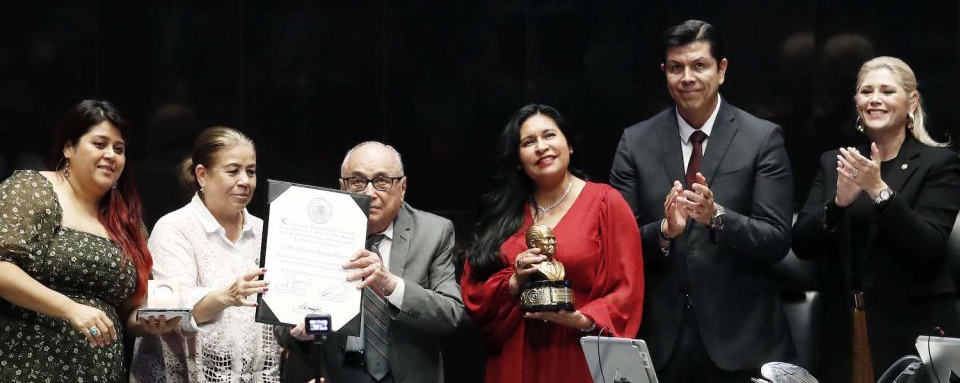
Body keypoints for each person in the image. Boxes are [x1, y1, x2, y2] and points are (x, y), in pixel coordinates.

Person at [610, 20, 795, 381]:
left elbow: (776, 239)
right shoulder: (635, 142)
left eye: (699, 66)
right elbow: (617, 243)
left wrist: (717, 216)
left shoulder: (762, 138)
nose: (687, 77)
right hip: (661, 342)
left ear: (721, 70)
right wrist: (664, 231)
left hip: (742, 341)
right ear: (665, 73)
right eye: (676, 68)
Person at [793, 56, 960, 382]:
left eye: (886, 90)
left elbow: (928, 246)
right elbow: (800, 243)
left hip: (910, 328)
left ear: (911, 101)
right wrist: (839, 203)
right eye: (866, 91)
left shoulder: (939, 163)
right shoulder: (835, 162)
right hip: (844, 328)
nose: (875, 99)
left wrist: (880, 191)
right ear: (857, 103)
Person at [462, 104, 644, 383]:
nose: (541, 147)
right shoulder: (502, 213)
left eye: (549, 135)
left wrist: (583, 319)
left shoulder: (606, 203)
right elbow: (474, 295)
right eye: (528, 142)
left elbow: (628, 289)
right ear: (518, 159)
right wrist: (514, 281)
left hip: (577, 351)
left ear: (569, 145)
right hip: (513, 357)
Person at [0, 99, 168, 382]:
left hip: (101, 371)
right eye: (99, 144)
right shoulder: (34, 188)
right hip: (26, 365)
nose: (111, 155)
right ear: (69, 148)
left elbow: (128, 312)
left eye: (119, 149)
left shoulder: (127, 221)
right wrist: (69, 308)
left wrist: (151, 322)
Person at [277, 141, 465, 383]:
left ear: (403, 187)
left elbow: (451, 314)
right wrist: (303, 331)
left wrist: (391, 284)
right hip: (339, 374)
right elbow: (283, 329)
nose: (369, 193)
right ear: (342, 186)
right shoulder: (315, 233)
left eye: (382, 181)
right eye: (357, 181)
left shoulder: (434, 232)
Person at [130, 126, 282, 382]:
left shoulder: (264, 231)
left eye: (251, 171)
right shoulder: (175, 228)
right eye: (233, 171)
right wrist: (225, 297)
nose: (244, 181)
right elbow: (174, 313)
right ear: (202, 175)